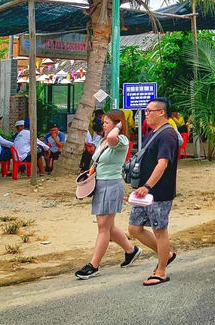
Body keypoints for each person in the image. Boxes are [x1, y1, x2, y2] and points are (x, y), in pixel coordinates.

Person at [75, 109, 141, 280]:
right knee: (108, 228)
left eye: (107, 122)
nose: (103, 124)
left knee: (103, 227)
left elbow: (113, 138)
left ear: (117, 124)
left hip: (111, 185)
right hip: (100, 184)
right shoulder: (103, 140)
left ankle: (94, 265)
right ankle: (131, 250)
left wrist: (119, 127)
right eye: (103, 122)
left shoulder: (121, 140)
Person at [128, 97, 179, 287]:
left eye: (149, 111)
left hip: (158, 192)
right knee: (134, 228)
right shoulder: (154, 133)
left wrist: (147, 186)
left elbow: (163, 163)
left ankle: (162, 271)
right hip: (145, 193)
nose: (146, 114)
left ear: (161, 112)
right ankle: (166, 255)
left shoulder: (167, 135)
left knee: (159, 230)